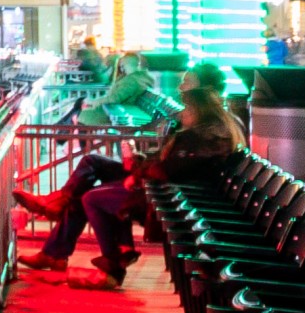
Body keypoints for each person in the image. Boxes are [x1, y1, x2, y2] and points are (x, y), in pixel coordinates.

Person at [28, 84, 244, 287]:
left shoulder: (200, 137)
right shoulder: (209, 133)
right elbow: (171, 165)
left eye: (187, 108)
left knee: (91, 198)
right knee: (91, 163)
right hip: (167, 188)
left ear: (199, 109)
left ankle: (109, 261)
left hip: (168, 195)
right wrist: (140, 161)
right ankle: (62, 216)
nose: (182, 112)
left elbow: (168, 170)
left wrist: (138, 170)